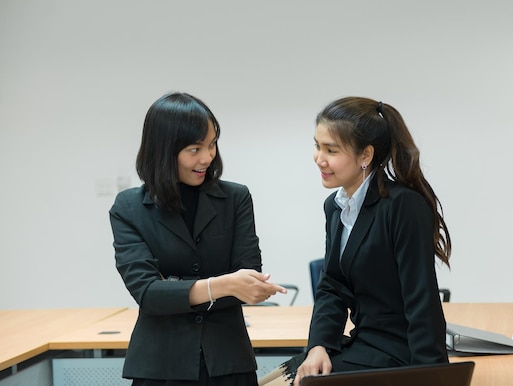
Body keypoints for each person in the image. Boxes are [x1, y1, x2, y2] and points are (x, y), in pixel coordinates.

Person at [260, 96, 451, 386]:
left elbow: (421, 300)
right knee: (265, 382)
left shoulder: (403, 206)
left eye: (331, 150)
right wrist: (318, 346)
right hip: (361, 346)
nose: (319, 158)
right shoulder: (335, 207)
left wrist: (432, 378)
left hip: (399, 357)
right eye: (317, 146)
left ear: (365, 156)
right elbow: (332, 286)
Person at [109, 92, 286, 386]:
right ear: (163, 151)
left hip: (228, 362)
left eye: (212, 144)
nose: (207, 157)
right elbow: (148, 294)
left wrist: (175, 288)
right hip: (160, 366)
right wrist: (224, 283)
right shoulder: (128, 207)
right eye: (194, 149)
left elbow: (248, 275)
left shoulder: (235, 197)